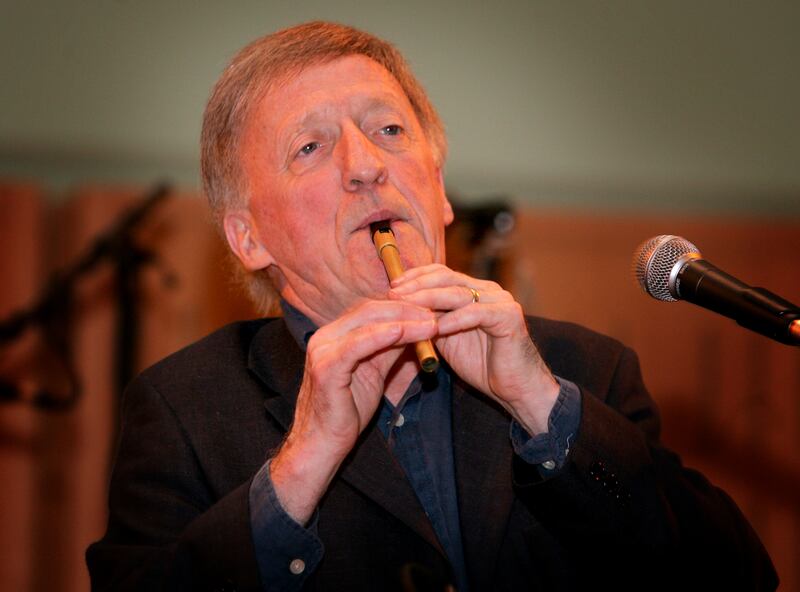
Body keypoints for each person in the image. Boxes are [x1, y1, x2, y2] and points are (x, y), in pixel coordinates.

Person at [87, 21, 777, 592]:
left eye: (388, 131)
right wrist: (300, 467)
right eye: (311, 146)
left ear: (439, 190)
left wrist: (540, 406)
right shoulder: (182, 406)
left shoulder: (582, 371)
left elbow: (736, 576)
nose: (365, 165)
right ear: (248, 236)